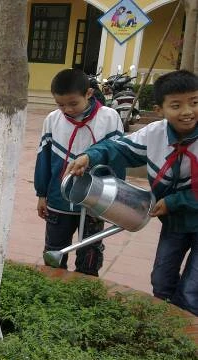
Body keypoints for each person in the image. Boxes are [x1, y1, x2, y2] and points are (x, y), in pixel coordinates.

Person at [66, 70, 198, 314]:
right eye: (176, 105)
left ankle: (187, 336)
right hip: (176, 222)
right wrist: (89, 156)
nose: (187, 111)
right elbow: (119, 148)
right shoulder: (155, 133)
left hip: (184, 209)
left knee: (192, 291)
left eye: (194, 102)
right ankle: (167, 326)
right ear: (160, 110)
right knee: (161, 280)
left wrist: (175, 201)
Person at [34, 68, 124, 277]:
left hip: (95, 202)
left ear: (89, 94)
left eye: (73, 103)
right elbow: (43, 160)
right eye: (61, 104)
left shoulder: (109, 118)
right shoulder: (52, 120)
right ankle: (52, 294)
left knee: (91, 254)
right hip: (58, 201)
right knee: (54, 251)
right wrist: (41, 195)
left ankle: (85, 296)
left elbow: (119, 159)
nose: (67, 109)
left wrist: (116, 199)